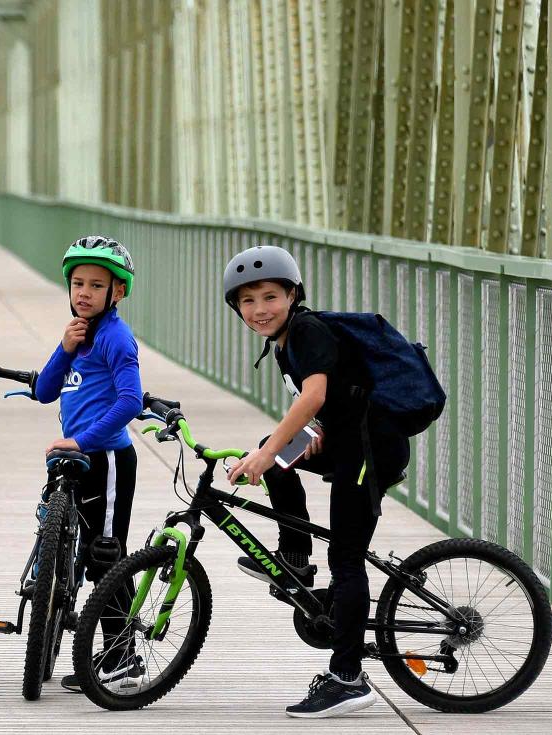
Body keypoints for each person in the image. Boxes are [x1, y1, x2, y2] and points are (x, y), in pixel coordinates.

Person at [222, 245, 411, 718]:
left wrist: (265, 455)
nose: (260, 309)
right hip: (347, 439)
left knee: (345, 559)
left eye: (270, 296)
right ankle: (294, 557)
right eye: (247, 301)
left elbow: (314, 395)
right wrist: (310, 436)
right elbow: (338, 400)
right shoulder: (285, 343)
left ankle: (348, 678)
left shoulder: (305, 330)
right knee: (279, 449)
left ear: (292, 295)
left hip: (372, 450)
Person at [30, 236, 145, 694]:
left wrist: (82, 439)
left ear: (117, 292)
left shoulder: (116, 336)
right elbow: (44, 391)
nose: (84, 292)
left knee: (105, 555)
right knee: (73, 549)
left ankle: (123, 659)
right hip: (74, 457)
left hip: (109, 457)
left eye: (96, 285)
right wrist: (63, 347)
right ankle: (79, 632)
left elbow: (131, 401)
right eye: (77, 283)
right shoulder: (79, 332)